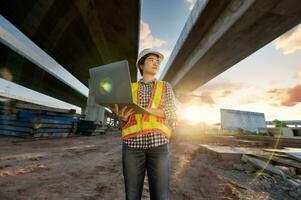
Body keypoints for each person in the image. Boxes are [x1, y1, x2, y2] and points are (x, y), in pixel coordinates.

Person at [111, 48, 177, 200]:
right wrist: (121, 117)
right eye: (151, 60)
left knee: (161, 196)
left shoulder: (165, 86)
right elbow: (120, 122)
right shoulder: (129, 88)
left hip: (159, 145)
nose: (156, 63)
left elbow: (172, 112)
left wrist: (143, 109)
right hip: (132, 146)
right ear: (141, 65)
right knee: (132, 196)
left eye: (157, 61)